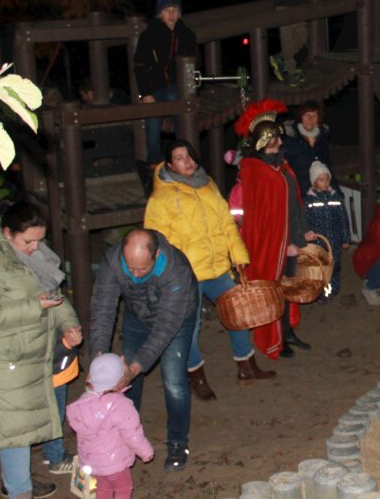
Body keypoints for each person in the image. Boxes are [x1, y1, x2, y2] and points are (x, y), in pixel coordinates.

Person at [143, 140, 275, 402]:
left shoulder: (208, 185)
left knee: (238, 314)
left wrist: (238, 256)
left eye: (189, 156)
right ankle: (196, 376)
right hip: (186, 273)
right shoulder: (161, 198)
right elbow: (154, 240)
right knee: (190, 327)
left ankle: (246, 367)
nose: (187, 162)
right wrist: (165, 274)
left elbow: (227, 224)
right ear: (169, 165)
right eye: (180, 158)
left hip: (217, 267)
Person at [0, 202, 81, 499]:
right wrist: (35, 306)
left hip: (30, 353)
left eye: (39, 240)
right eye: (28, 241)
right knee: (15, 428)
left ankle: (16, 482)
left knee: (22, 423)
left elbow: (53, 295)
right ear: (7, 233)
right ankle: (20, 491)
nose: (35, 247)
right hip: (1, 358)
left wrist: (68, 323)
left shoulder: (31, 254)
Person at [89, 229, 198, 471]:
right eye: (130, 267)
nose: (135, 274)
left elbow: (165, 328)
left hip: (177, 319)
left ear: (156, 255)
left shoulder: (175, 269)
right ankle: (126, 435)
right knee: (126, 378)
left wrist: (137, 366)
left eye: (142, 269)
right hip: (136, 315)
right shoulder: (112, 261)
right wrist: (98, 356)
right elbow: (103, 309)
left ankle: (178, 442)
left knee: (174, 381)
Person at [235, 99, 316, 359]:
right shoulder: (259, 172)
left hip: (289, 238)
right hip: (275, 246)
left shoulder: (279, 167)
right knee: (276, 291)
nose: (280, 144)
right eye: (274, 141)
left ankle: (287, 333)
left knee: (289, 289)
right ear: (262, 143)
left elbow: (294, 204)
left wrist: (302, 232)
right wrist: (284, 245)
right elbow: (264, 220)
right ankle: (276, 340)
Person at [66, 353, 154, 499]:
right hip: (115, 463)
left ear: (90, 378)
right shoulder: (120, 405)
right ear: (120, 381)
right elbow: (132, 434)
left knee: (103, 488)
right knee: (124, 488)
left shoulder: (81, 404)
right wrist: (146, 452)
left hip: (92, 463)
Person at [134, 0, 198, 164]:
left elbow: (192, 64)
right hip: (154, 87)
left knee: (179, 113)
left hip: (178, 87)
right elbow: (139, 67)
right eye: (167, 11)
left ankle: (183, 159)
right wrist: (145, 93)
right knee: (152, 124)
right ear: (159, 14)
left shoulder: (187, 35)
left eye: (175, 10)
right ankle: (154, 163)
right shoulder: (148, 36)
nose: (171, 14)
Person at [302, 161, 351, 302]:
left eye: (327, 179)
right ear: (314, 182)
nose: (325, 182)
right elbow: (304, 220)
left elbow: (343, 219)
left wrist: (346, 238)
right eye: (321, 180)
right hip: (318, 242)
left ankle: (332, 290)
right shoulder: (308, 200)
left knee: (334, 266)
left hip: (334, 241)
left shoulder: (335, 197)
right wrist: (306, 235)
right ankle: (322, 293)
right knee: (320, 268)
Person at [282, 100, 333, 194]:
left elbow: (328, 167)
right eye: (306, 115)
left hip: (320, 194)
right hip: (298, 193)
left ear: (318, 119)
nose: (310, 119)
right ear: (301, 117)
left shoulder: (322, 139)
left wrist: (337, 193)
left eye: (314, 116)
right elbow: (284, 169)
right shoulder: (290, 139)